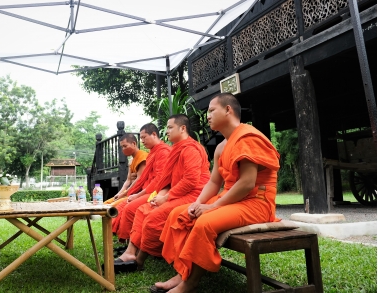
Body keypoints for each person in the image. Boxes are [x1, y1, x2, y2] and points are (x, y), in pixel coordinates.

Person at [152, 93, 280, 293]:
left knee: (204, 223)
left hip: (256, 202)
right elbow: (214, 181)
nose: (208, 116)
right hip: (232, 200)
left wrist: (212, 207)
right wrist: (198, 203)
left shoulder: (248, 137)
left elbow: (247, 183)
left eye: (212, 110)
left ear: (228, 110)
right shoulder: (221, 146)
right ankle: (182, 272)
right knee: (179, 214)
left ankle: (189, 284)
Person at [114, 114, 210, 273]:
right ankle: (131, 252)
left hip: (195, 194)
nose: (166, 131)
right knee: (142, 210)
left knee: (153, 217)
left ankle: (139, 261)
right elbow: (167, 180)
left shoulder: (190, 149)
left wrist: (166, 198)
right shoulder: (175, 150)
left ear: (183, 128)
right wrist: (161, 196)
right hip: (176, 192)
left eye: (170, 127)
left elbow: (191, 181)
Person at [111, 123, 171, 242]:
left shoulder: (163, 152)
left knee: (129, 208)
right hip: (147, 189)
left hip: (158, 191)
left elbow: (159, 180)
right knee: (121, 205)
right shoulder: (152, 153)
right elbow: (139, 178)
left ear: (154, 134)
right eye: (141, 138)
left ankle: (131, 244)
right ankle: (124, 239)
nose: (142, 141)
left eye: (144, 137)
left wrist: (138, 195)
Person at [104, 133, 147, 206]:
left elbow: (139, 179)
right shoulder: (131, 161)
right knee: (105, 203)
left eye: (125, 146)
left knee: (111, 207)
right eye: (122, 147)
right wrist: (119, 194)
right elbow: (128, 180)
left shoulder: (143, 156)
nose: (123, 149)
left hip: (138, 193)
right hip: (129, 191)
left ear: (133, 143)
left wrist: (124, 193)